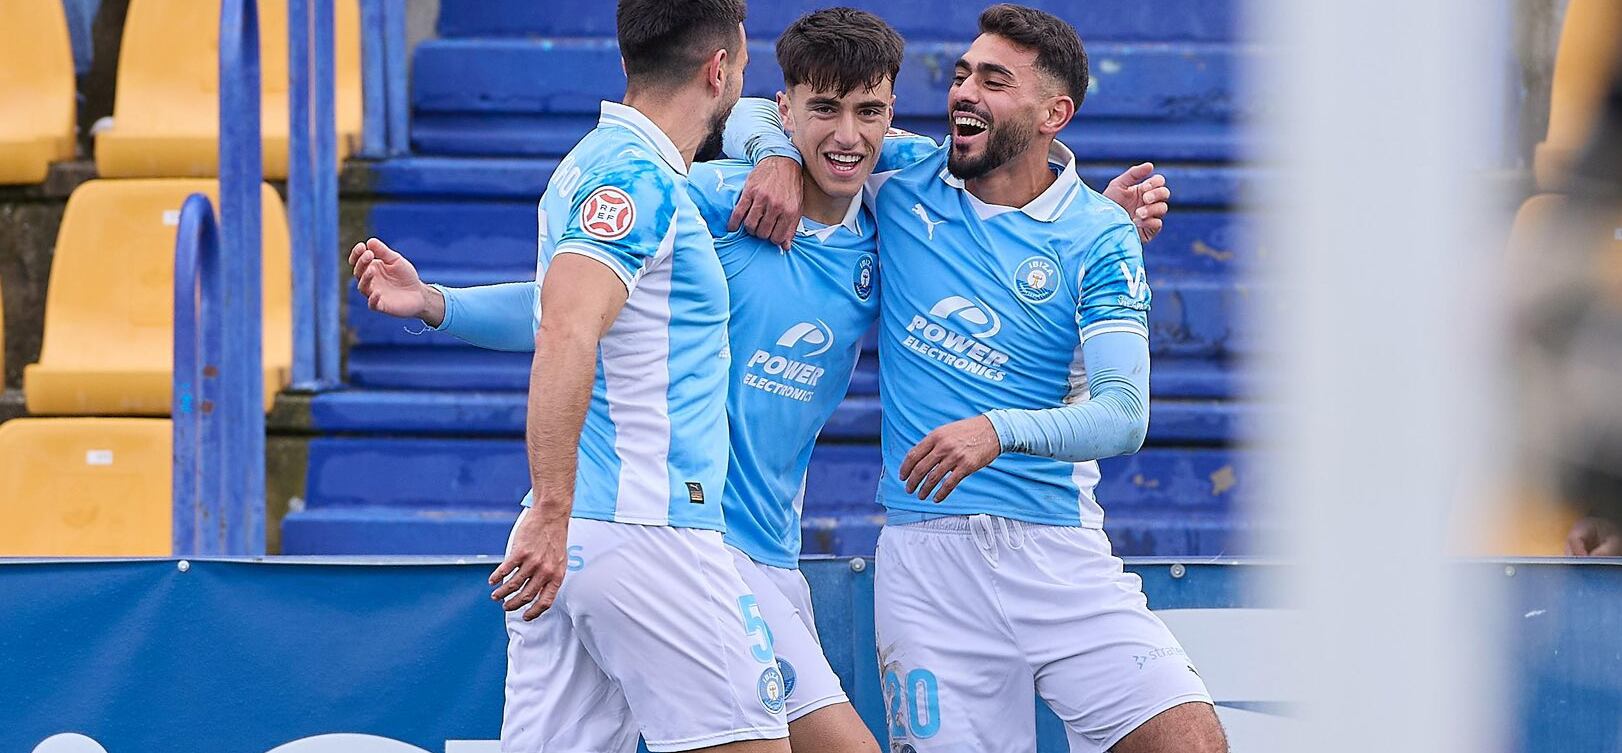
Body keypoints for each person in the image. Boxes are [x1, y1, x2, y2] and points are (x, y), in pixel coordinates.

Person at [722, 5, 1227, 752]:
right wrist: (771, 155)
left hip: (1057, 551)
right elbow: (763, 110)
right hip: (928, 564)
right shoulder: (901, 175)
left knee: (1186, 739)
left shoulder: (1099, 232)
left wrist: (998, 429)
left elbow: (1124, 414)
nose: (964, 92)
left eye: (993, 81)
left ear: (1055, 113)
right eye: (961, 75)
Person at [465, 1, 792, 750]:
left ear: (627, 61)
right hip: (647, 529)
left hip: (578, 539)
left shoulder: (589, 162)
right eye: (743, 66)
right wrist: (553, 502)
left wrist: (438, 305)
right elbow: (568, 327)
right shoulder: (636, 178)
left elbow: (566, 311)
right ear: (719, 71)